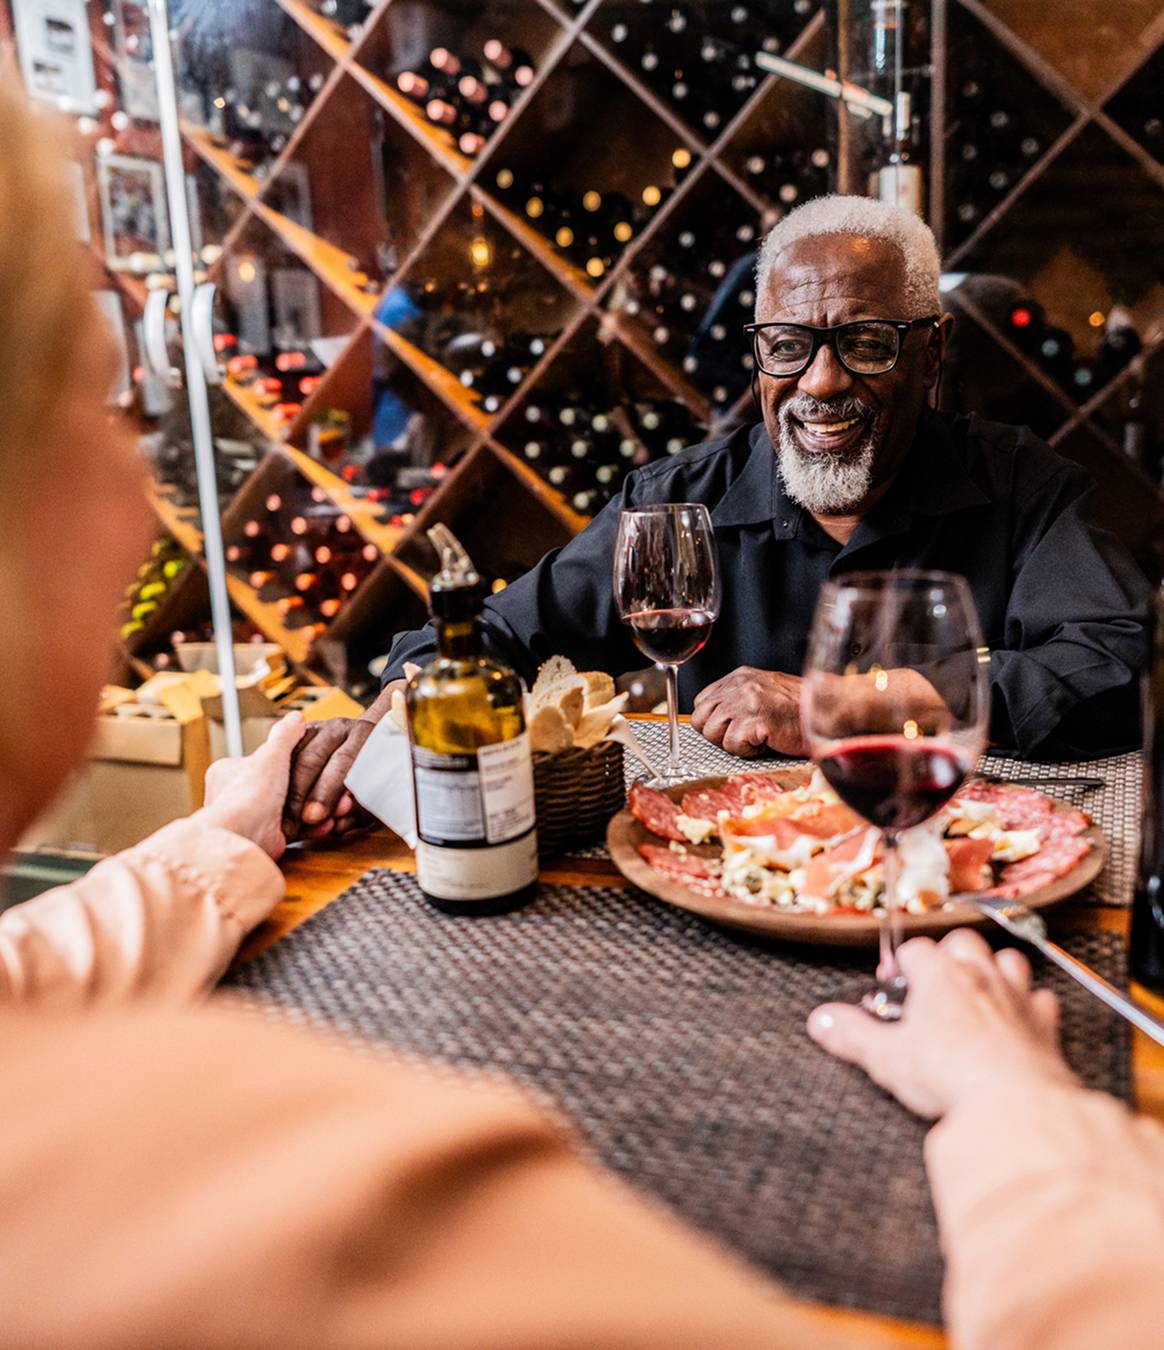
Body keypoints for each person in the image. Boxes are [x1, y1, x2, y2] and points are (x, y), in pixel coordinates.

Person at [283, 195, 1150, 841]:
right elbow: (492, 635)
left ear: (932, 354)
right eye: (787, 345)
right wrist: (399, 711)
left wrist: (839, 707)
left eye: (867, 342)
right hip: (728, 874)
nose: (819, 382)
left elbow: (1117, 667)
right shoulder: (673, 503)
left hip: (954, 876)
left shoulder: (1025, 490)